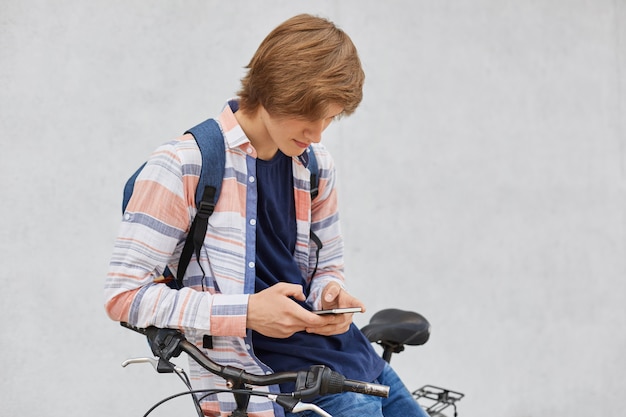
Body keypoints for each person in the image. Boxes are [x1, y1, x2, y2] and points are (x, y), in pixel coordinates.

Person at [105, 13, 428, 417]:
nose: (318, 133)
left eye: (329, 118)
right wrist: (248, 312)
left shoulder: (315, 165)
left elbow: (327, 266)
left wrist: (329, 297)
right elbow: (124, 296)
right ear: (274, 90)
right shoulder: (183, 165)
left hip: (356, 362)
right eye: (309, 116)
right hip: (270, 387)